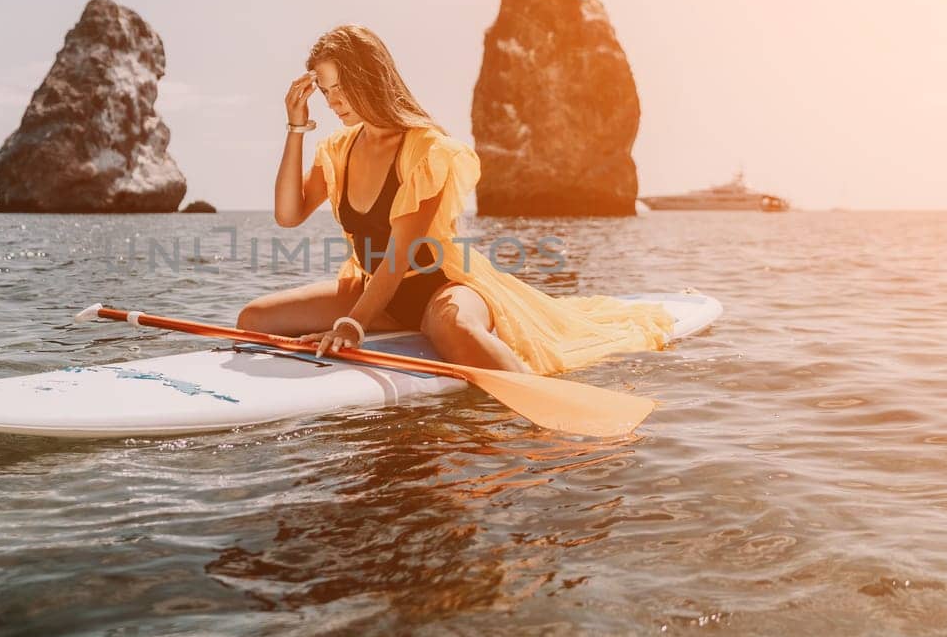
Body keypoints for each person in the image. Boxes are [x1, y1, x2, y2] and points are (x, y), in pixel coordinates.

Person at [235, 24, 674, 375]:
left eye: (341, 87)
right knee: (253, 319)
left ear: (369, 76)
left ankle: (544, 430)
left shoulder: (427, 149)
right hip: (374, 290)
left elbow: (400, 255)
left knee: (457, 329)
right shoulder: (337, 150)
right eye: (326, 91)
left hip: (439, 287)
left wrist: (351, 324)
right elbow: (288, 215)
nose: (334, 101)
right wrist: (295, 129)